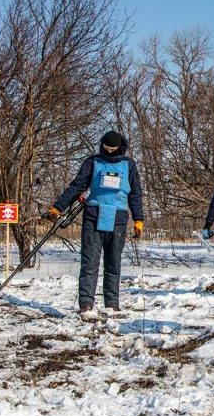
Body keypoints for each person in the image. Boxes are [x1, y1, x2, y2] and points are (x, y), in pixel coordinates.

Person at [43, 130, 144, 318]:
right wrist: (58, 208)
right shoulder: (92, 162)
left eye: (113, 149)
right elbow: (76, 186)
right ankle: (86, 304)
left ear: (120, 147)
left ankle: (112, 304)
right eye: (106, 148)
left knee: (113, 264)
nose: (109, 152)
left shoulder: (129, 165)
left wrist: (139, 220)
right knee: (89, 263)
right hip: (93, 217)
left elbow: (136, 194)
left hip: (118, 219)